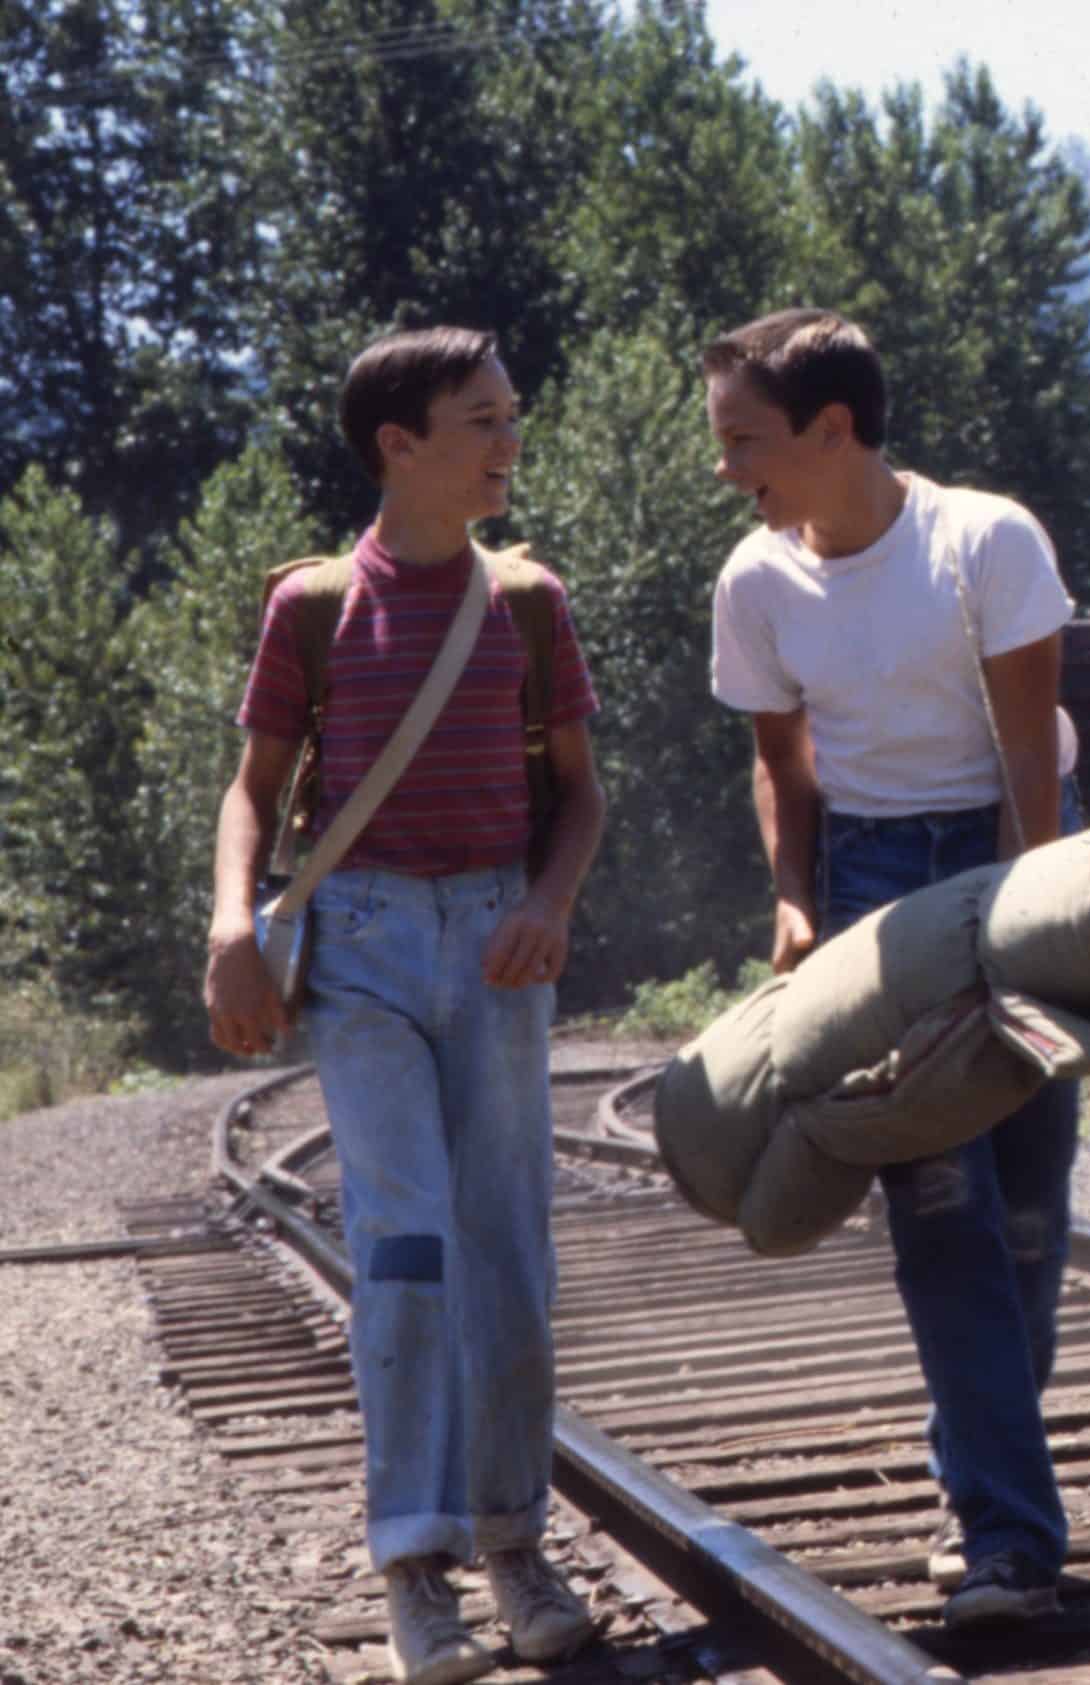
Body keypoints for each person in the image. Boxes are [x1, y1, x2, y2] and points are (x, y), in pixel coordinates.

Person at [202, 326, 607, 1684]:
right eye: (482, 422)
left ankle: (516, 1547)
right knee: (411, 1248)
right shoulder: (314, 606)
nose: (508, 444)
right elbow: (256, 792)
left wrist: (549, 902)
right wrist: (229, 927)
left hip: (498, 943)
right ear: (401, 446)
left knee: (510, 1258)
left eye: (512, 418)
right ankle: (416, 1571)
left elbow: (583, 794)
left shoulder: (533, 602)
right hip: (366, 946)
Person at [701, 308, 1078, 1628]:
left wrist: (1037, 927)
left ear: (832, 429)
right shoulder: (755, 579)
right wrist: (796, 899)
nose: (726, 467)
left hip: (1009, 849)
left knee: (1026, 1199)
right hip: (867, 886)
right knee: (936, 1205)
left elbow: (1029, 754)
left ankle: (982, 1466)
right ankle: (1008, 1537)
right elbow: (779, 761)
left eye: (743, 440)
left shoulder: (984, 539)